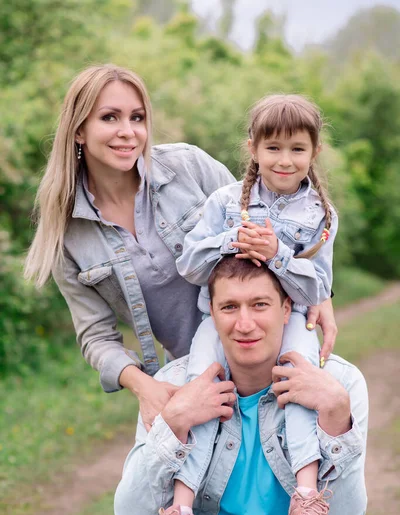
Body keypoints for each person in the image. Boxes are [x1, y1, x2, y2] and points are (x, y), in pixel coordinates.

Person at [24, 66, 337, 434]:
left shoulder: (188, 166)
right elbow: (96, 337)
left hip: (271, 350)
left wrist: (321, 294)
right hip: (198, 374)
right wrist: (146, 388)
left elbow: (273, 209)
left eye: (137, 117)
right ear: (79, 129)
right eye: (110, 117)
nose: (128, 131)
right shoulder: (68, 232)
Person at [80, 257, 385, 515]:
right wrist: (175, 421)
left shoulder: (339, 384)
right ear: (211, 312)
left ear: (287, 309)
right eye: (229, 307)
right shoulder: (172, 384)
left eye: (259, 305)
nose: (244, 323)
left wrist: (337, 418)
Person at [148, 94, 338, 515]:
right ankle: (182, 512)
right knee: (203, 388)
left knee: (295, 386)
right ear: (252, 148)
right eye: (273, 148)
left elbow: (320, 284)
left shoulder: (320, 215)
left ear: (314, 152)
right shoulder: (225, 201)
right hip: (223, 318)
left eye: (298, 148)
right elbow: (190, 265)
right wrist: (230, 239)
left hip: (289, 321)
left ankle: (307, 499)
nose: (285, 160)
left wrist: (278, 253)